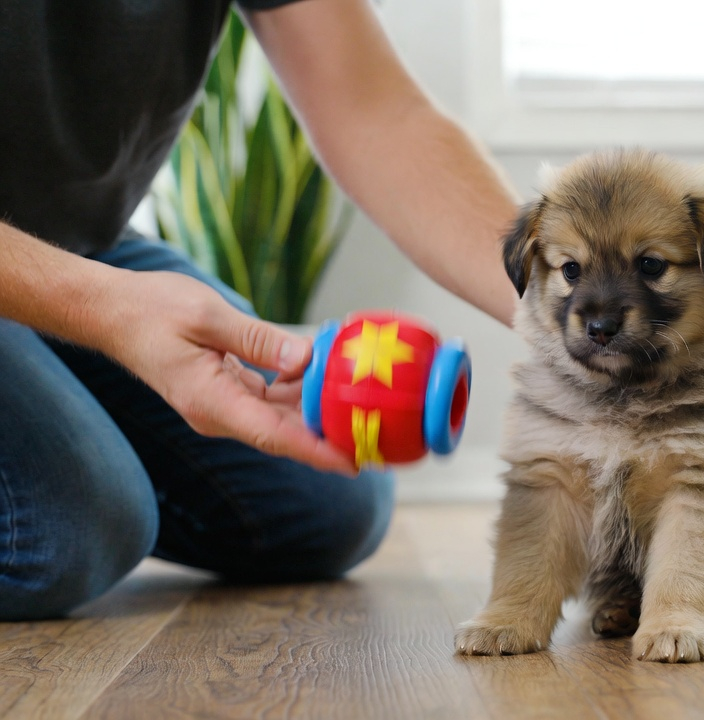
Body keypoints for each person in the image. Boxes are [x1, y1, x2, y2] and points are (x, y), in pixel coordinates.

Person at [0, 0, 520, 620]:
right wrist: (103, 307)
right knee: (61, 532)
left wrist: (560, 305)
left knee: (328, 501)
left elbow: (379, 114)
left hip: (78, 242)